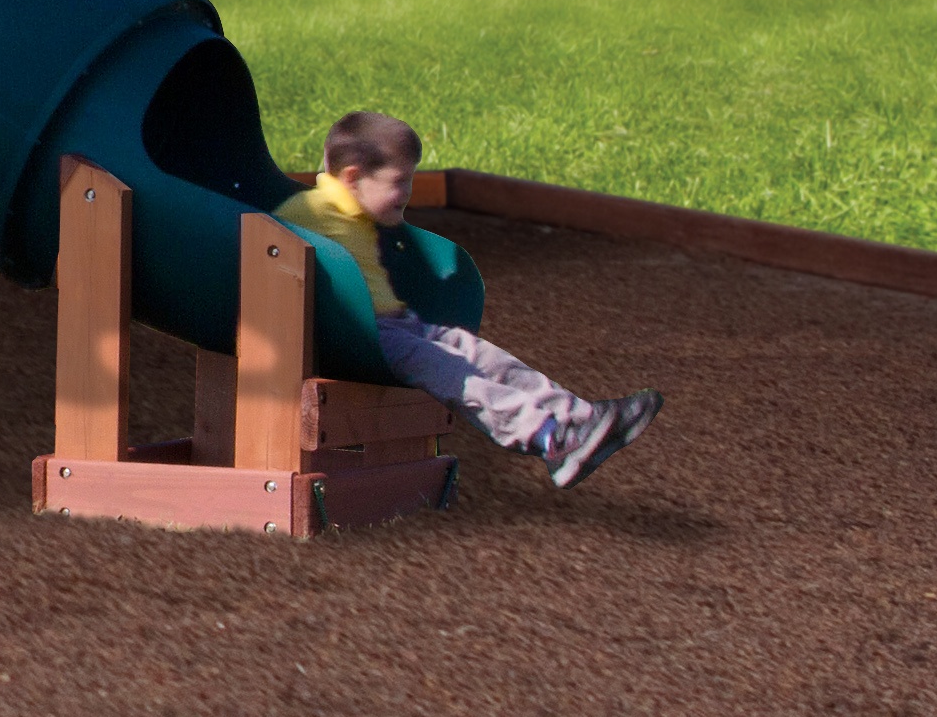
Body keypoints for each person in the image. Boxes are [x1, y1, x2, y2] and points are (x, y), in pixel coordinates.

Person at [281, 108, 660, 490]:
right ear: (352, 178)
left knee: (481, 354)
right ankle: (548, 438)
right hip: (363, 338)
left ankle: (579, 419)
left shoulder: (355, 208)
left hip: (400, 324)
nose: (407, 193)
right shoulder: (308, 212)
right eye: (399, 181)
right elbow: (265, 250)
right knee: (455, 372)